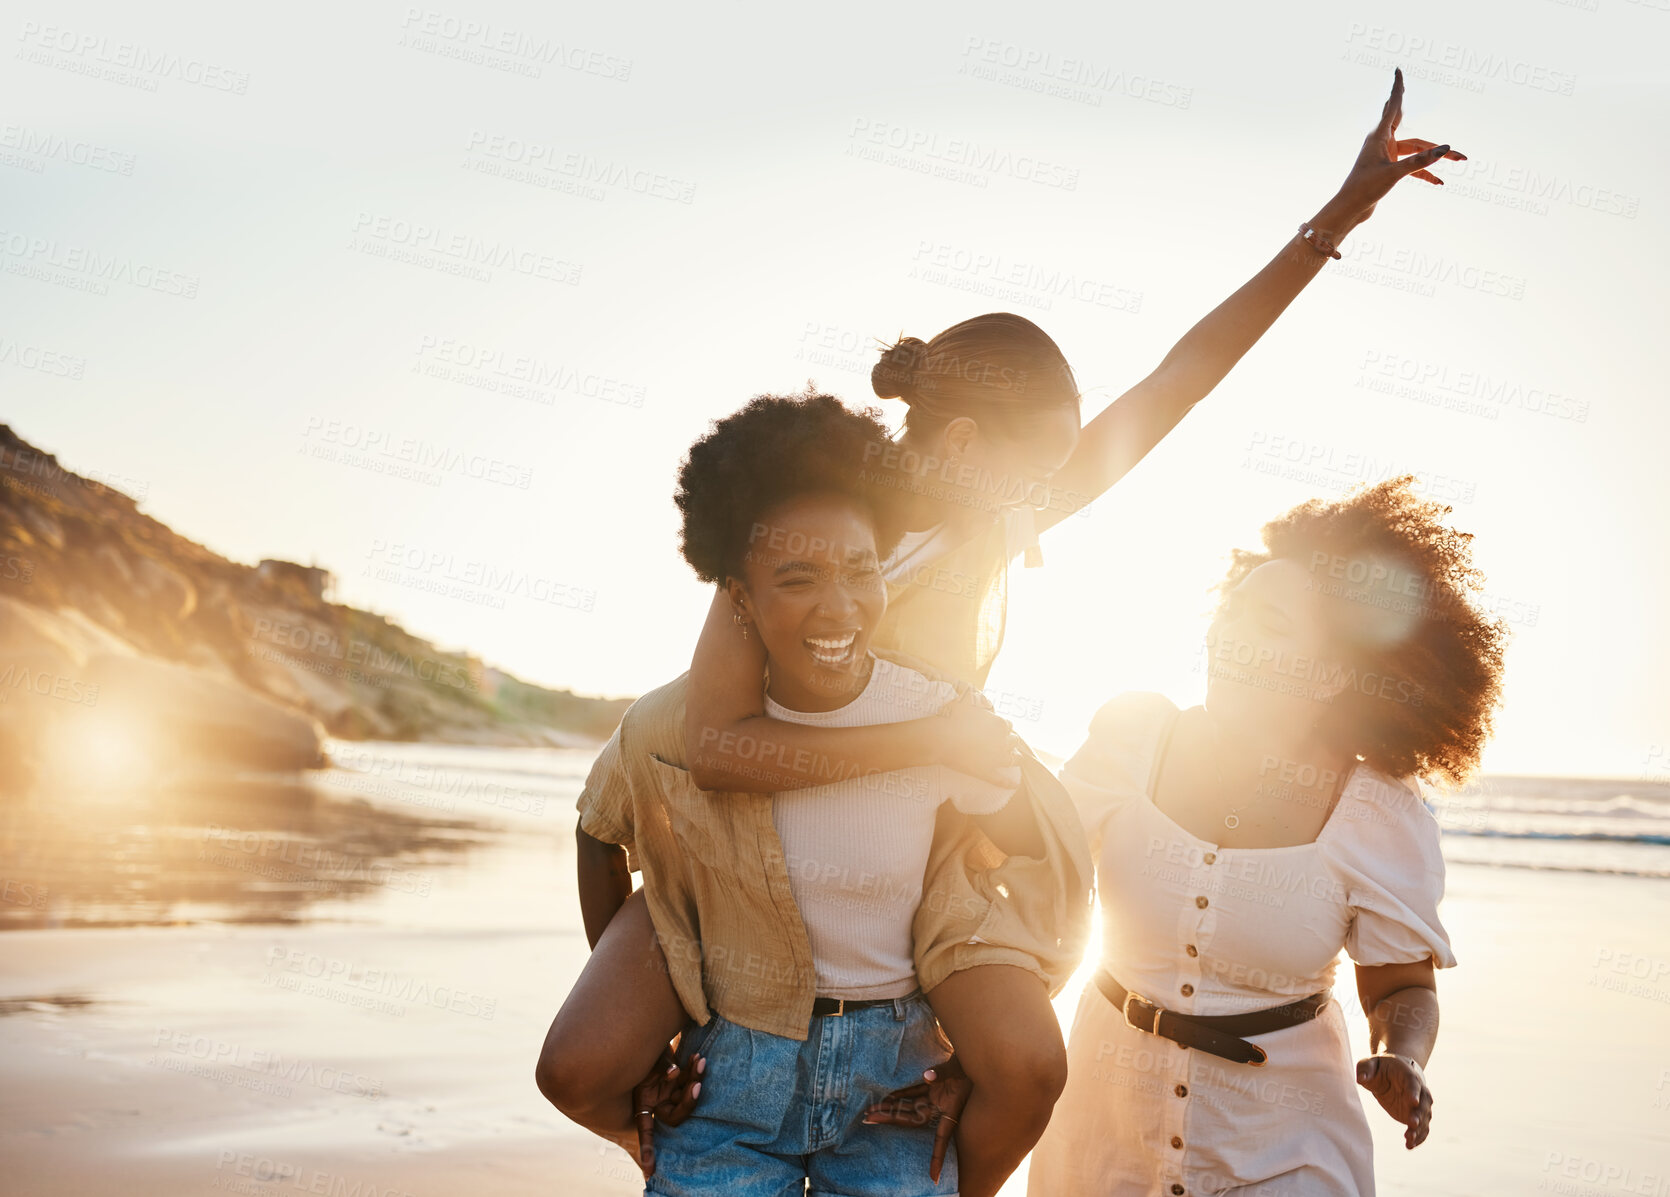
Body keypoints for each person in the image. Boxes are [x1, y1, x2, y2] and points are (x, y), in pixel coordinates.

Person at [553, 67, 1465, 1197]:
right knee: (586, 1045)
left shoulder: (990, 524)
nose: (1055, 491)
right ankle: (675, 1085)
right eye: (1040, 462)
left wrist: (1335, 219)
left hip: (896, 829)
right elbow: (670, 773)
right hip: (742, 824)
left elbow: (1176, 384)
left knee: (1022, 1045)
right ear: (969, 443)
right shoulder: (807, 534)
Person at [537, 391, 1093, 1195]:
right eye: (796, 578)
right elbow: (599, 831)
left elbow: (1038, 868)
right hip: (732, 1073)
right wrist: (659, 1028)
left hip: (889, 1079)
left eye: (860, 571)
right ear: (739, 594)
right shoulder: (666, 724)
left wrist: (981, 1044)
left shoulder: (941, 713)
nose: (838, 606)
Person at [1017, 477, 1508, 1195]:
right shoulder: (1134, 738)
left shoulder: (1376, 812)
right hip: (1101, 1132)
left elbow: (1402, 985)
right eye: (1232, 611)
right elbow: (1031, 894)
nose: (1230, 633)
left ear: (1334, 672)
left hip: (1287, 1147)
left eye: (1269, 624)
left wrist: (1402, 1054)